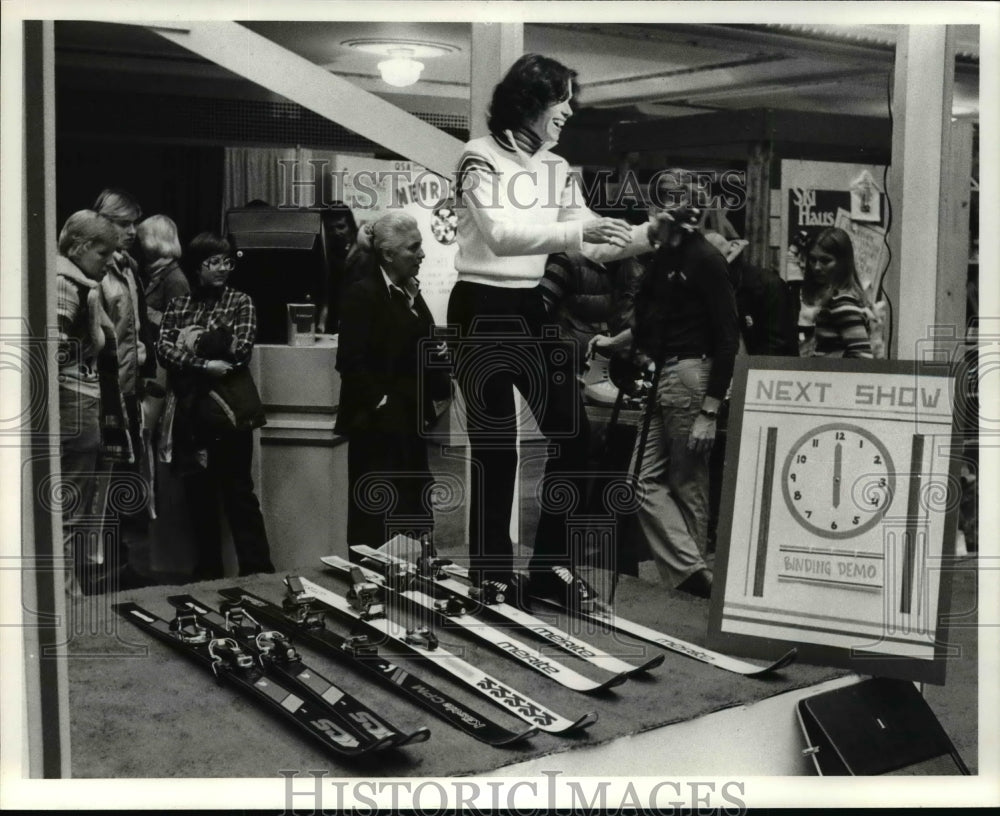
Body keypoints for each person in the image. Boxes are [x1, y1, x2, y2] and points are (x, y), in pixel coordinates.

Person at [448, 53, 660, 608]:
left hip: (528, 310)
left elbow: (590, 241)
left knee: (575, 436)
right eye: (560, 98)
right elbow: (499, 234)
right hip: (482, 307)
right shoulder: (478, 156)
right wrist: (579, 226)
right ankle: (491, 571)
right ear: (529, 102)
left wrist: (651, 234)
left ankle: (547, 570)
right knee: (496, 448)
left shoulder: (556, 167)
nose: (568, 110)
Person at [590, 178, 740, 599]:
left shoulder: (706, 258)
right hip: (665, 375)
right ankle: (694, 576)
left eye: (658, 210)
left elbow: (727, 338)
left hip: (692, 376)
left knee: (687, 481)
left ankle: (700, 588)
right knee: (640, 479)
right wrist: (616, 343)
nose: (650, 218)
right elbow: (651, 323)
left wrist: (710, 411)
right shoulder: (664, 258)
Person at [157, 232, 274, 580]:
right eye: (214, 262)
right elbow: (164, 351)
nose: (223, 268)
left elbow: (239, 350)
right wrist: (205, 362)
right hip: (192, 414)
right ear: (197, 267)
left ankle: (258, 571)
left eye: (227, 262)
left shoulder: (241, 301)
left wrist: (189, 340)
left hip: (229, 412)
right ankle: (207, 575)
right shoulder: (179, 305)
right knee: (199, 495)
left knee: (239, 493)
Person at [335, 212, 450, 556]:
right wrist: (382, 403)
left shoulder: (409, 291)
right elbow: (350, 361)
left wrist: (435, 353)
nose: (422, 254)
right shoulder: (363, 293)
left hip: (408, 422)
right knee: (376, 513)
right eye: (413, 248)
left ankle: (413, 583)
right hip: (377, 427)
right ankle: (371, 585)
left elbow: (413, 341)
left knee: (411, 508)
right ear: (388, 254)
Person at [702, 231, 798, 551]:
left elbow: (778, 350)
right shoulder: (717, 287)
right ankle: (721, 532)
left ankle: (745, 536)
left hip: (758, 390)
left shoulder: (766, 287)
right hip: (725, 389)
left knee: (753, 468)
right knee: (719, 462)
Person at [54, 210, 121, 594]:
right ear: (79, 247)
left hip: (76, 403)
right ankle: (66, 595)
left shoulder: (73, 280)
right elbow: (51, 349)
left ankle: (68, 590)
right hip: (74, 404)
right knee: (67, 512)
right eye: (102, 251)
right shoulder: (67, 283)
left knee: (69, 511)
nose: (109, 260)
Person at [94, 188, 157, 584]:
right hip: (104, 390)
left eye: (134, 222)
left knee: (123, 478)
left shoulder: (128, 265)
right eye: (124, 223)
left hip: (128, 389)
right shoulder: (97, 269)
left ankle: (118, 565)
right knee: (103, 480)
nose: (132, 230)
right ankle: (103, 568)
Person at [135, 214, 190, 532]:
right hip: (151, 363)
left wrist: (143, 314)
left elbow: (180, 327)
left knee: (147, 436)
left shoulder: (174, 278)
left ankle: (150, 511)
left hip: (161, 367)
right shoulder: (157, 274)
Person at [803, 227, 875, 359]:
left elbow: (863, 358)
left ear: (843, 263)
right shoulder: (834, 300)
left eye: (825, 261)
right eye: (812, 260)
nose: (817, 267)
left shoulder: (843, 305)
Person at [320, 202, 358, 333]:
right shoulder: (325, 255)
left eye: (341, 227)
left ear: (351, 227)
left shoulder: (365, 254)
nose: (336, 233)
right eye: (330, 228)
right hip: (333, 323)